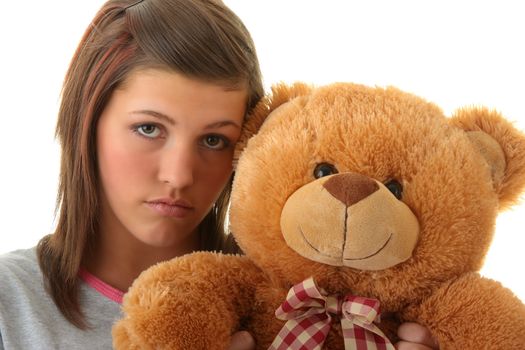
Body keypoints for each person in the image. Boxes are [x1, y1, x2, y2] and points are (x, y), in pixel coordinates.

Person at [0, 0, 440, 349]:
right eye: (149, 129)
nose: (179, 175)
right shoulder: (10, 304)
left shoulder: (311, 308)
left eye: (214, 140)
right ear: (86, 122)